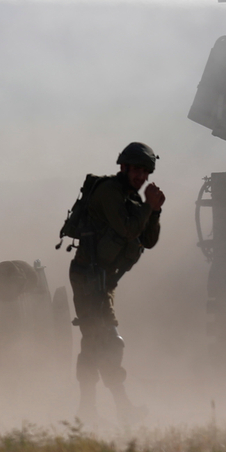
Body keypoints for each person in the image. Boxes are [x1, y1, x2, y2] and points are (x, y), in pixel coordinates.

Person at [69, 142, 164, 424]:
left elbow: (148, 239)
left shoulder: (131, 199)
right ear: (123, 167)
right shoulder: (110, 193)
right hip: (89, 277)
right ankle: (123, 408)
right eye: (137, 169)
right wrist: (148, 206)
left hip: (102, 280)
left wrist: (154, 211)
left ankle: (86, 411)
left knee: (92, 345)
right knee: (109, 343)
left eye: (145, 171)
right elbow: (127, 229)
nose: (141, 176)